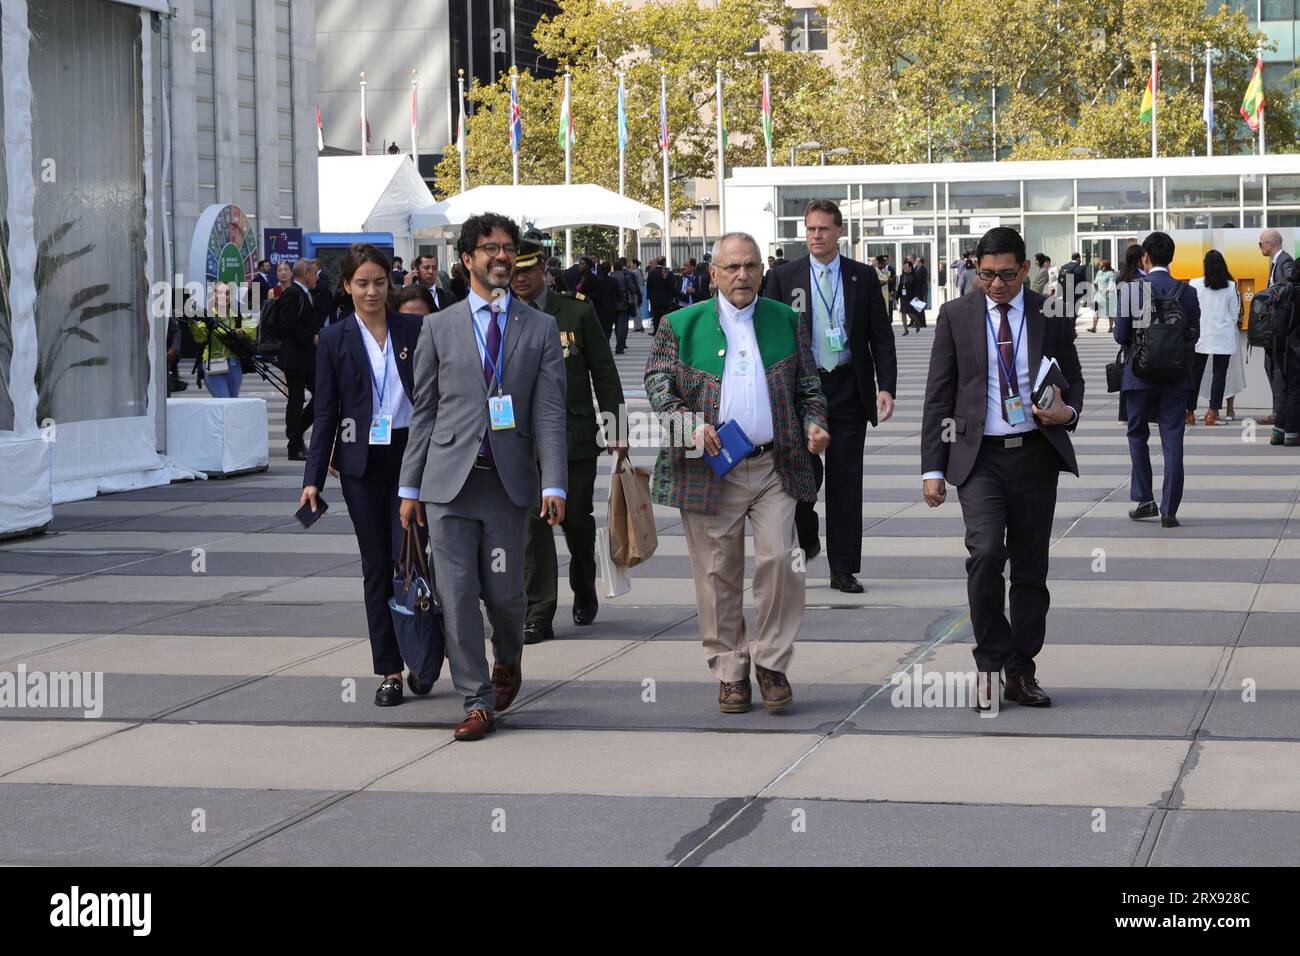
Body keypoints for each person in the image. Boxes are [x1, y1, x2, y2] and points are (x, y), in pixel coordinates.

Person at [397, 213, 567, 742]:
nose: (501, 256)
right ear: (466, 259)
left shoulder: (538, 327)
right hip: (448, 484)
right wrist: (408, 488)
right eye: (489, 248)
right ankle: (475, 699)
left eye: (507, 248)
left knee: (505, 594)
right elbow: (424, 410)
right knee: (456, 594)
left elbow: (549, 412)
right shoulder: (438, 326)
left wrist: (554, 482)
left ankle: (509, 659)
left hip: (507, 485)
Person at [646, 232, 829, 714]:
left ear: (760, 271)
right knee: (717, 573)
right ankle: (731, 670)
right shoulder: (679, 325)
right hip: (710, 471)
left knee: (781, 561)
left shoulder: (786, 320)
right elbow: (658, 388)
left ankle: (771, 662)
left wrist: (815, 424)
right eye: (731, 267)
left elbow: (810, 387)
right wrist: (689, 425)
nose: (742, 275)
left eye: (750, 265)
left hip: (776, 465)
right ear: (713, 274)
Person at [921, 226, 1084, 710]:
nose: (996, 285)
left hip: (1036, 455)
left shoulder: (1049, 313)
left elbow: (1071, 378)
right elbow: (938, 395)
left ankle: (1022, 670)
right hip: (980, 458)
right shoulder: (956, 316)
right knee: (987, 554)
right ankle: (989, 667)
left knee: (1031, 569)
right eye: (986, 274)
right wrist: (933, 467)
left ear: (1026, 270)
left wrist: (1067, 413)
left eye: (1007, 275)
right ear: (976, 269)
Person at [299, 244, 425, 707]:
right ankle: (390, 669)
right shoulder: (334, 339)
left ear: (388, 283)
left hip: (411, 457)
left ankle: (423, 655)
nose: (371, 291)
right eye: (362, 282)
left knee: (409, 559)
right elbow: (327, 413)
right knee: (376, 565)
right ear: (347, 287)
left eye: (379, 281)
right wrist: (313, 477)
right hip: (360, 465)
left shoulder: (414, 327)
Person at [764, 199, 896, 589]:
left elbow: (880, 336)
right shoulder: (784, 278)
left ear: (839, 232)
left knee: (845, 478)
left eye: (823, 229)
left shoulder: (862, 277)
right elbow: (771, 338)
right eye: (810, 229)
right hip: (802, 392)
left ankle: (843, 568)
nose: (816, 236)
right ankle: (806, 534)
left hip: (848, 388)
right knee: (802, 475)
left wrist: (884, 386)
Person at [512, 240, 626, 642]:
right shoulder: (503, 315)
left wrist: (618, 428)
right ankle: (538, 610)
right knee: (531, 527)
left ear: (544, 268)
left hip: (572, 437)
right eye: (513, 270)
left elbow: (604, 372)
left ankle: (583, 586)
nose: (519, 277)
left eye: (527, 269)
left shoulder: (576, 311)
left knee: (575, 520)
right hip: (522, 442)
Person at [1115, 231, 1200, 528]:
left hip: (1138, 377)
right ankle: (1169, 510)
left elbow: (1120, 335)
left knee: (1137, 434)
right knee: (1173, 439)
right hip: (1176, 378)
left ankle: (1144, 499)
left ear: (1145, 258)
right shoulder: (1187, 292)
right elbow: (1193, 336)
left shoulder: (1131, 290)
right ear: (1172, 258)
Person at [277, 259, 325, 461]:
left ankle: (296, 436)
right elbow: (285, 325)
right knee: (296, 401)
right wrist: (311, 337)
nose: (317, 277)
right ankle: (294, 444)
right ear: (305, 273)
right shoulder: (293, 294)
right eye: (314, 273)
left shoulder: (305, 294)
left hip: (307, 357)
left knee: (321, 396)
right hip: (295, 357)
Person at [1187, 250, 1240, 427]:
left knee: (1195, 374)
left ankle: (1189, 413)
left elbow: (1191, 310)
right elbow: (1234, 315)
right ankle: (1213, 413)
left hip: (1201, 336)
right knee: (1219, 375)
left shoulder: (1194, 284)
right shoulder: (1231, 286)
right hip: (1223, 337)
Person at [1258, 228, 1299, 445]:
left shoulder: (1285, 263)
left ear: (1269, 244)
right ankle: (1284, 429)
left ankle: (1282, 428)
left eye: (1261, 243)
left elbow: (1284, 296)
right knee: (1286, 383)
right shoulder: (1279, 263)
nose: (1260, 247)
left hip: (1282, 334)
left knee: (1286, 383)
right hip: (1281, 335)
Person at [191, 282, 249, 398]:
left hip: (234, 364)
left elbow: (251, 332)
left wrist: (243, 332)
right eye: (220, 293)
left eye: (227, 294)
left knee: (233, 402)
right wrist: (191, 322)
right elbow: (200, 338)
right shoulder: (209, 316)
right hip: (214, 363)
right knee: (223, 401)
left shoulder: (237, 315)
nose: (224, 296)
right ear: (214, 296)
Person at [610, 257, 642, 354]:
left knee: (615, 324)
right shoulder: (626, 275)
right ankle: (620, 345)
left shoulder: (610, 276)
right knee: (622, 325)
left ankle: (618, 342)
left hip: (612, 303)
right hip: (623, 303)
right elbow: (632, 289)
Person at [646, 256, 674, 334]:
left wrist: (649, 296)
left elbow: (649, 286)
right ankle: (666, 331)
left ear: (657, 262)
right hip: (666, 298)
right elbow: (671, 285)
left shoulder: (652, 273)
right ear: (664, 262)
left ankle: (656, 330)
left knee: (656, 315)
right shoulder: (669, 272)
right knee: (666, 315)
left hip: (654, 298)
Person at [896, 259, 924, 333]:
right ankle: (905, 330)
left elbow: (918, 286)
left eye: (906, 266)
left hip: (911, 296)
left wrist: (917, 295)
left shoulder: (915, 275)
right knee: (903, 313)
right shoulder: (902, 276)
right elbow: (900, 287)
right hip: (903, 297)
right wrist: (897, 296)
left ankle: (917, 323)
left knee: (910, 313)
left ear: (910, 267)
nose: (904, 268)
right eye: (904, 266)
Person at [1089, 258, 1115, 334]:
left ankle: (1110, 328)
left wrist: (1107, 290)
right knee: (1096, 310)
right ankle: (1094, 327)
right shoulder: (1099, 272)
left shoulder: (1110, 273)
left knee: (1110, 312)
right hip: (1098, 295)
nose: (1099, 266)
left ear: (1105, 266)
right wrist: (1095, 285)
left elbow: (1111, 283)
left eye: (1100, 265)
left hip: (1107, 296)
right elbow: (1096, 281)